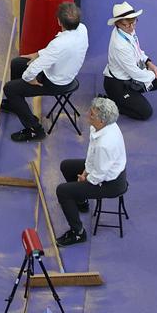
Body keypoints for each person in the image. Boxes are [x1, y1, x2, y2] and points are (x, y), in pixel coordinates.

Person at [0, 1, 88, 142]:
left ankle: (34, 130)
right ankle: (16, 105)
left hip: (55, 83)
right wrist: (37, 53)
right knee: (17, 63)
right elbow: (54, 53)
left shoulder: (59, 44)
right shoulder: (82, 29)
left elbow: (36, 67)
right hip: (66, 73)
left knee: (10, 89)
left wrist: (29, 78)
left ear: (59, 21)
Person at [55, 96, 127, 246]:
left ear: (102, 120)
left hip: (111, 183)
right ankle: (82, 201)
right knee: (66, 166)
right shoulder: (101, 126)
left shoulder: (105, 144)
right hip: (101, 169)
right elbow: (92, 153)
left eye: (92, 114)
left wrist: (86, 179)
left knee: (62, 191)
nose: (88, 114)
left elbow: (99, 175)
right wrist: (85, 171)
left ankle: (78, 233)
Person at [103, 1, 157, 120]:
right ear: (117, 24)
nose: (132, 27)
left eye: (134, 22)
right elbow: (135, 73)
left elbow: (138, 50)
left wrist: (150, 64)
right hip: (118, 85)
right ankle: (113, 102)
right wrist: (152, 74)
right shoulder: (119, 45)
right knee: (146, 113)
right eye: (127, 24)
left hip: (131, 76)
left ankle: (132, 96)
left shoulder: (128, 30)